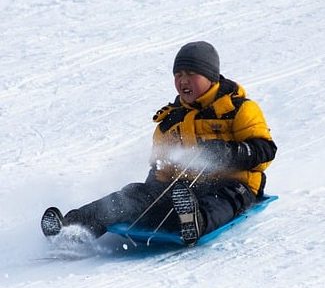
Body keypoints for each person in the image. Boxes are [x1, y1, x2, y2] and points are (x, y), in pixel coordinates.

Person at [41, 41, 277, 246]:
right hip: (183, 189)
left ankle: (195, 222)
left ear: (210, 76)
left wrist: (226, 153)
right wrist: (149, 195)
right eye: (178, 75)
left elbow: (265, 150)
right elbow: (161, 167)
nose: (183, 80)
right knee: (132, 195)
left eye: (191, 73)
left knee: (220, 202)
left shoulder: (239, 108)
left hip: (233, 185)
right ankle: (73, 226)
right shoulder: (170, 120)